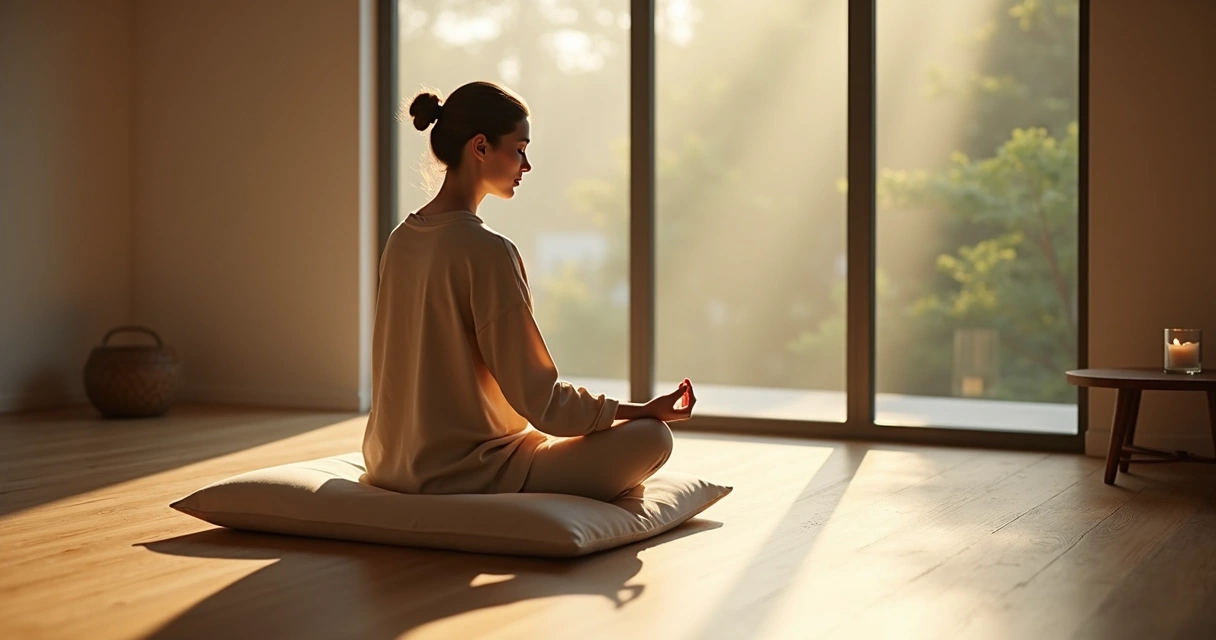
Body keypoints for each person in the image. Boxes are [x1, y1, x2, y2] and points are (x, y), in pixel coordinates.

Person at [362, 81, 697, 503]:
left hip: (388, 462)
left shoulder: (400, 239)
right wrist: (641, 411)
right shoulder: (488, 251)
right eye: (519, 149)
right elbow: (541, 402)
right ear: (480, 147)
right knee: (653, 438)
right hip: (468, 471)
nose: (527, 165)